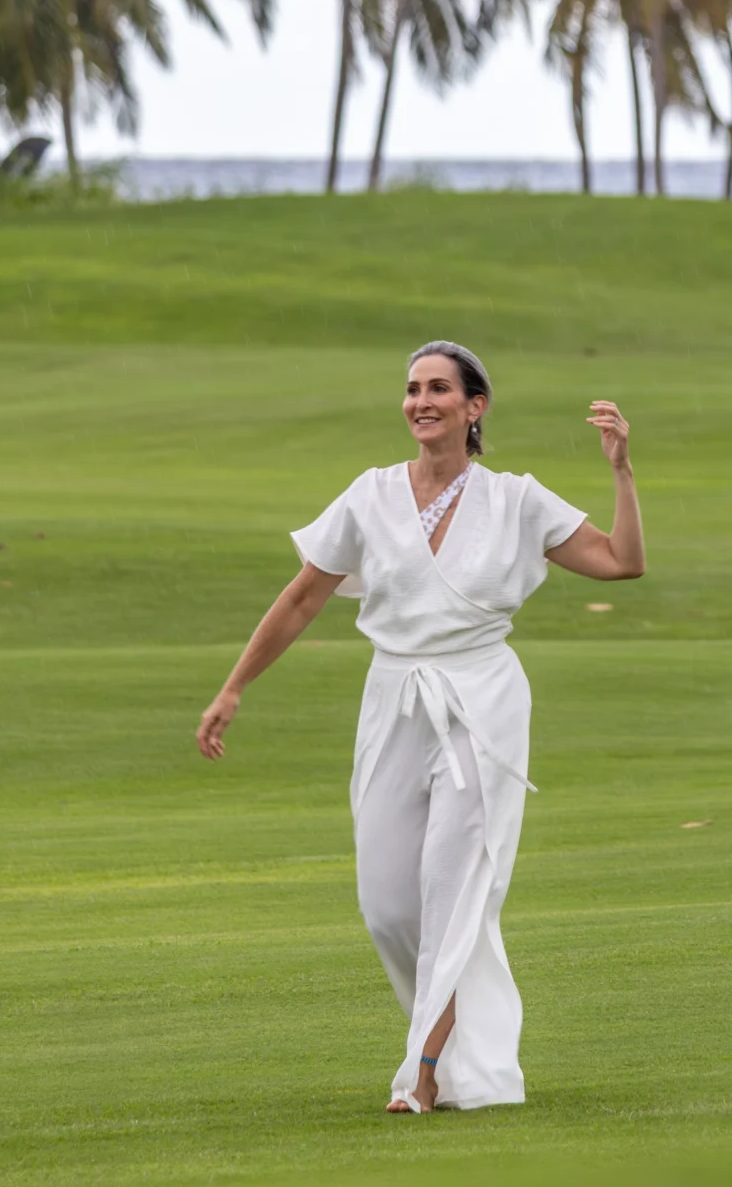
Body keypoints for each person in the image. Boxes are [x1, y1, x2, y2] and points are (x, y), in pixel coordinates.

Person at [196, 341, 643, 1113]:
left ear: (475, 407)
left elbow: (620, 562)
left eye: (439, 388)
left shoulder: (516, 500)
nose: (421, 401)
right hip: (394, 699)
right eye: (412, 389)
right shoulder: (370, 495)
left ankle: (425, 1072)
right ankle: (463, 1053)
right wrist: (234, 687)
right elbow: (302, 597)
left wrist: (621, 472)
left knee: (454, 889)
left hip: (482, 702)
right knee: (389, 907)